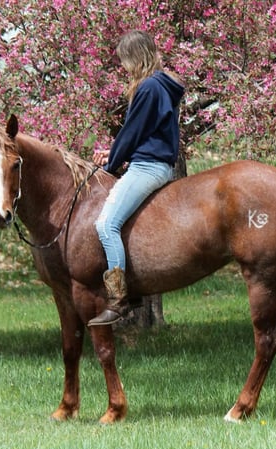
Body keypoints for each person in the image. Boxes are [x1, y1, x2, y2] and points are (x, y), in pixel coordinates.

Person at [87, 30, 185, 327]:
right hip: (154, 163)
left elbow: (131, 133)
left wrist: (111, 164)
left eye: (124, 61)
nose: (123, 67)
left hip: (148, 168)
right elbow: (145, 134)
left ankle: (119, 299)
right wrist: (112, 152)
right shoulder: (161, 85)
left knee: (106, 225)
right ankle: (135, 290)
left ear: (135, 57)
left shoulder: (149, 87)